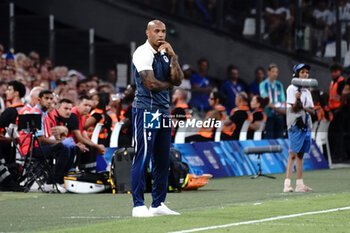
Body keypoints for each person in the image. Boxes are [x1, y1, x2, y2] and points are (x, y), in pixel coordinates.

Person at [131, 19, 183, 217]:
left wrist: (174, 57)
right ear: (147, 33)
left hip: (162, 111)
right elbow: (151, 84)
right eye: (157, 31)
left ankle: (158, 203)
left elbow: (178, 79)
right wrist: (171, 84)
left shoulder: (165, 53)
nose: (161, 35)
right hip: (147, 110)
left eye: (163, 31)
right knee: (143, 157)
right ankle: (137, 205)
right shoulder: (142, 53)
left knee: (162, 160)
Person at [284, 64, 315, 193]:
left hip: (305, 124)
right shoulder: (291, 89)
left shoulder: (307, 91)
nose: (305, 75)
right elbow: (294, 109)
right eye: (302, 72)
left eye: (307, 72)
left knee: (300, 154)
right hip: (295, 124)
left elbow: (312, 110)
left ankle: (300, 184)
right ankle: (287, 184)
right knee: (292, 154)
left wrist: (303, 107)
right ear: (296, 74)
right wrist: (297, 101)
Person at [259, 63, 286, 139]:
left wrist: (284, 108)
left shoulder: (279, 84)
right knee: (269, 137)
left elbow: (283, 99)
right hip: (268, 114)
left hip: (279, 115)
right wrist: (278, 109)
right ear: (268, 72)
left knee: (280, 137)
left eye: (276, 72)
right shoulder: (263, 84)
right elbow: (266, 100)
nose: (275, 74)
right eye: (273, 71)